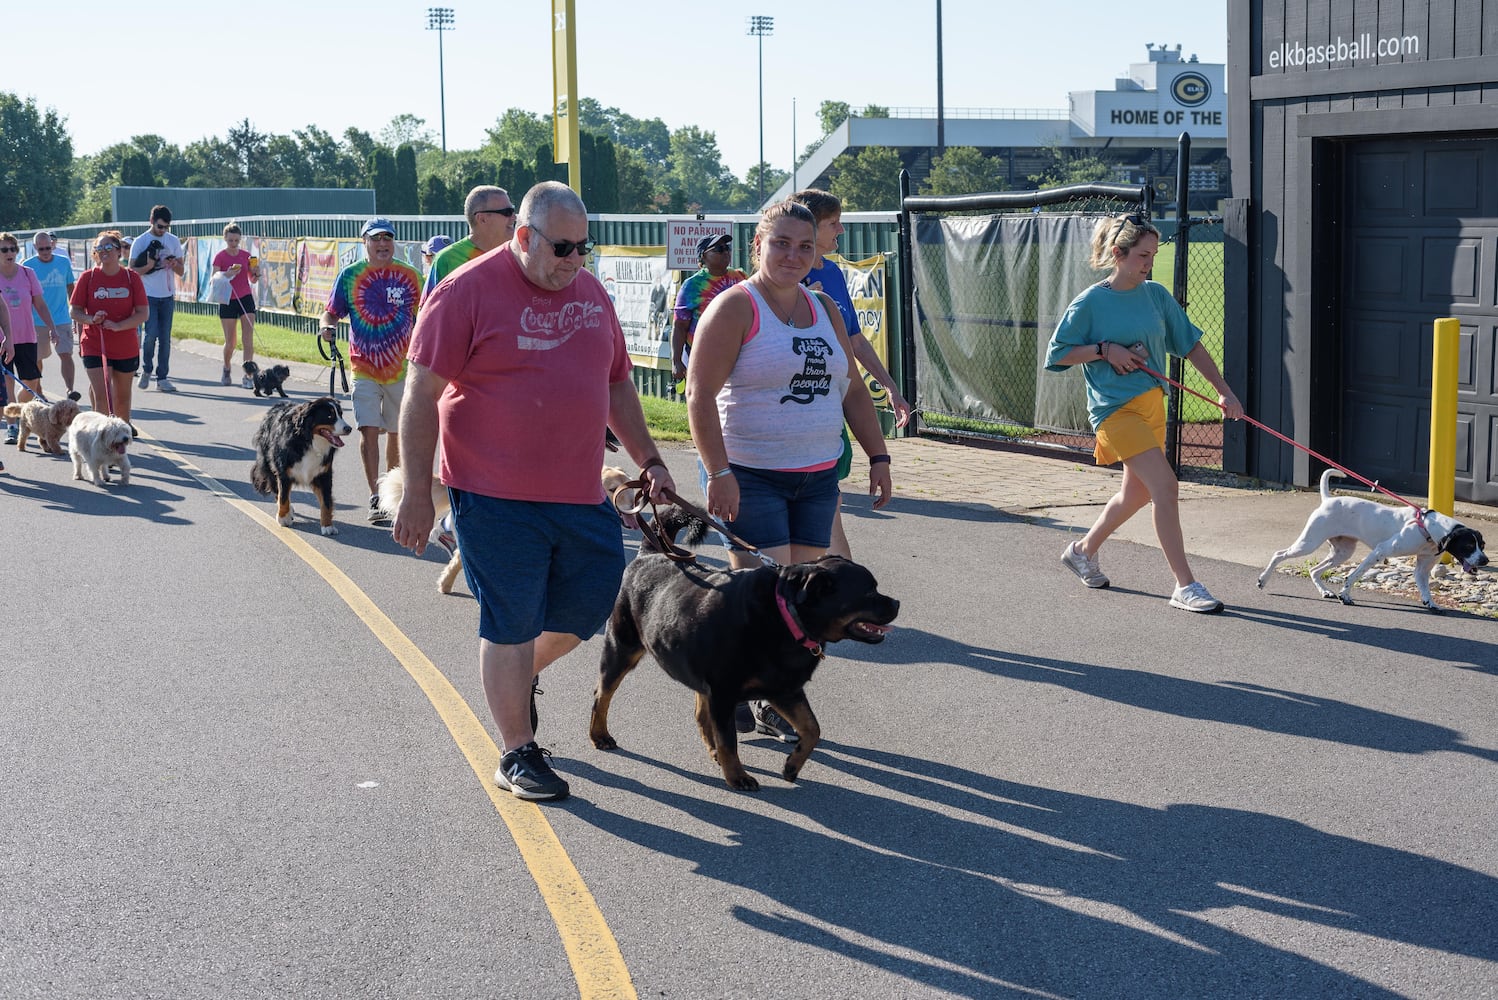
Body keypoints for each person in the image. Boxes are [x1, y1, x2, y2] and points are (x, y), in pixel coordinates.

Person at [392, 181, 677, 803]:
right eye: (563, 247)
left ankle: (514, 680)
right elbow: (420, 395)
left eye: (584, 247)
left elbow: (618, 385)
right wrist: (416, 487)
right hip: (491, 492)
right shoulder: (464, 291)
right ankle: (517, 750)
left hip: (578, 492)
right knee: (512, 620)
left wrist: (649, 458)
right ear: (523, 236)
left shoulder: (592, 294)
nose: (575, 259)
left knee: (590, 603)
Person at [686, 199, 893, 741]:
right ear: (758, 245)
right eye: (780, 243)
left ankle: (757, 694)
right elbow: (699, 395)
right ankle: (737, 691)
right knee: (762, 600)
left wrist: (879, 456)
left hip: (817, 478)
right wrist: (719, 471)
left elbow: (851, 390)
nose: (792, 255)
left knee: (803, 606)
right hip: (751, 475)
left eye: (804, 246)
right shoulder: (735, 308)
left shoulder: (824, 306)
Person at [1044, 212, 1243, 613]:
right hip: (1115, 411)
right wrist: (1105, 350)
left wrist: (1224, 392)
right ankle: (1185, 585)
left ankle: (1083, 550)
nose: (1149, 264)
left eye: (1153, 255)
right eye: (1142, 256)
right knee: (1166, 488)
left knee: (1134, 494)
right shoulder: (1090, 302)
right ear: (1118, 253)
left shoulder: (1155, 295)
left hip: (1152, 404)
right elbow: (1058, 354)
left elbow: (1190, 345)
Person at [789, 188, 913, 559]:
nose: (840, 231)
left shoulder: (834, 274)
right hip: (789, 418)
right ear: (808, 225)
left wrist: (891, 388)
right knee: (808, 518)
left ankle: (837, 589)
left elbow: (855, 341)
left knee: (829, 502)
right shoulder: (777, 281)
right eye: (833, 223)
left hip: (828, 409)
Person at [321, 218, 423, 522]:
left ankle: (391, 493)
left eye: (387, 238)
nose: (383, 244)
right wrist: (326, 327)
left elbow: (429, 314)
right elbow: (330, 313)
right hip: (363, 367)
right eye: (376, 239)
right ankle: (375, 496)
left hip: (401, 370)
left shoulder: (411, 276)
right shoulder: (350, 276)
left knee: (395, 432)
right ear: (364, 241)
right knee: (368, 429)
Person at [69, 231, 148, 426]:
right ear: (95, 253)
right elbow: (74, 310)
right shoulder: (88, 277)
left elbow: (142, 313)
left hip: (125, 346)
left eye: (108, 247)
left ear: (119, 251)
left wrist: (118, 326)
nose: (104, 252)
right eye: (99, 248)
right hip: (95, 344)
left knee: (122, 400)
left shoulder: (131, 278)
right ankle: (101, 442)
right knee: (103, 397)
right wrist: (91, 319)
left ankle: (120, 443)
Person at [0, 233, 61, 442]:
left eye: (12, 249)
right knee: (7, 381)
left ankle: (19, 408)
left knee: (31, 382)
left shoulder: (27, 274)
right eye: (4, 249)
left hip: (26, 336)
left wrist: (52, 327)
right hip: (2, 340)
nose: (9, 253)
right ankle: (11, 426)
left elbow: (40, 304)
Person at [671, 233, 747, 387]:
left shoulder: (741, 277)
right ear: (703, 257)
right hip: (703, 354)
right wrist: (676, 361)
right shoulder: (692, 285)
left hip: (738, 353)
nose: (725, 252)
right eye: (719, 249)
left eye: (727, 248)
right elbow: (679, 326)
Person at [422, 186, 517, 296]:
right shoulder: (447, 259)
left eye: (513, 211)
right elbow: (428, 310)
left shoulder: (518, 258)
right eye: (507, 212)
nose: (514, 217)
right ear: (482, 219)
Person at [130, 204, 185, 392]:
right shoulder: (140, 241)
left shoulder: (173, 241)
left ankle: (162, 377)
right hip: (148, 295)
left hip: (167, 296)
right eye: (160, 226)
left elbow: (181, 271)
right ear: (151, 222)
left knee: (165, 338)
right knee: (150, 335)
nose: (163, 231)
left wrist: (173, 262)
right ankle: (146, 370)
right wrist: (151, 265)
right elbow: (132, 272)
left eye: (166, 227)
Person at [22, 232, 81, 402]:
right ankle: (38, 391)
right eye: (41, 249)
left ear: (53, 245)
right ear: (35, 248)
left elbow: (71, 288)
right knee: (37, 357)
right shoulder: (27, 266)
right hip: (37, 319)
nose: (45, 251)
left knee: (65, 353)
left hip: (61, 317)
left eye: (48, 247)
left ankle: (70, 390)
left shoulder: (63, 263)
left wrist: (75, 312)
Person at [213, 223, 260, 388]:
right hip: (227, 300)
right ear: (225, 238)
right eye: (231, 240)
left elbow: (252, 279)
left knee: (248, 339)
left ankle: (248, 375)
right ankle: (226, 367)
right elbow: (214, 279)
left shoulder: (246, 255)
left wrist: (256, 274)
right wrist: (228, 273)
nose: (234, 244)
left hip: (245, 298)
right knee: (231, 342)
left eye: (236, 241)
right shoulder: (220, 256)